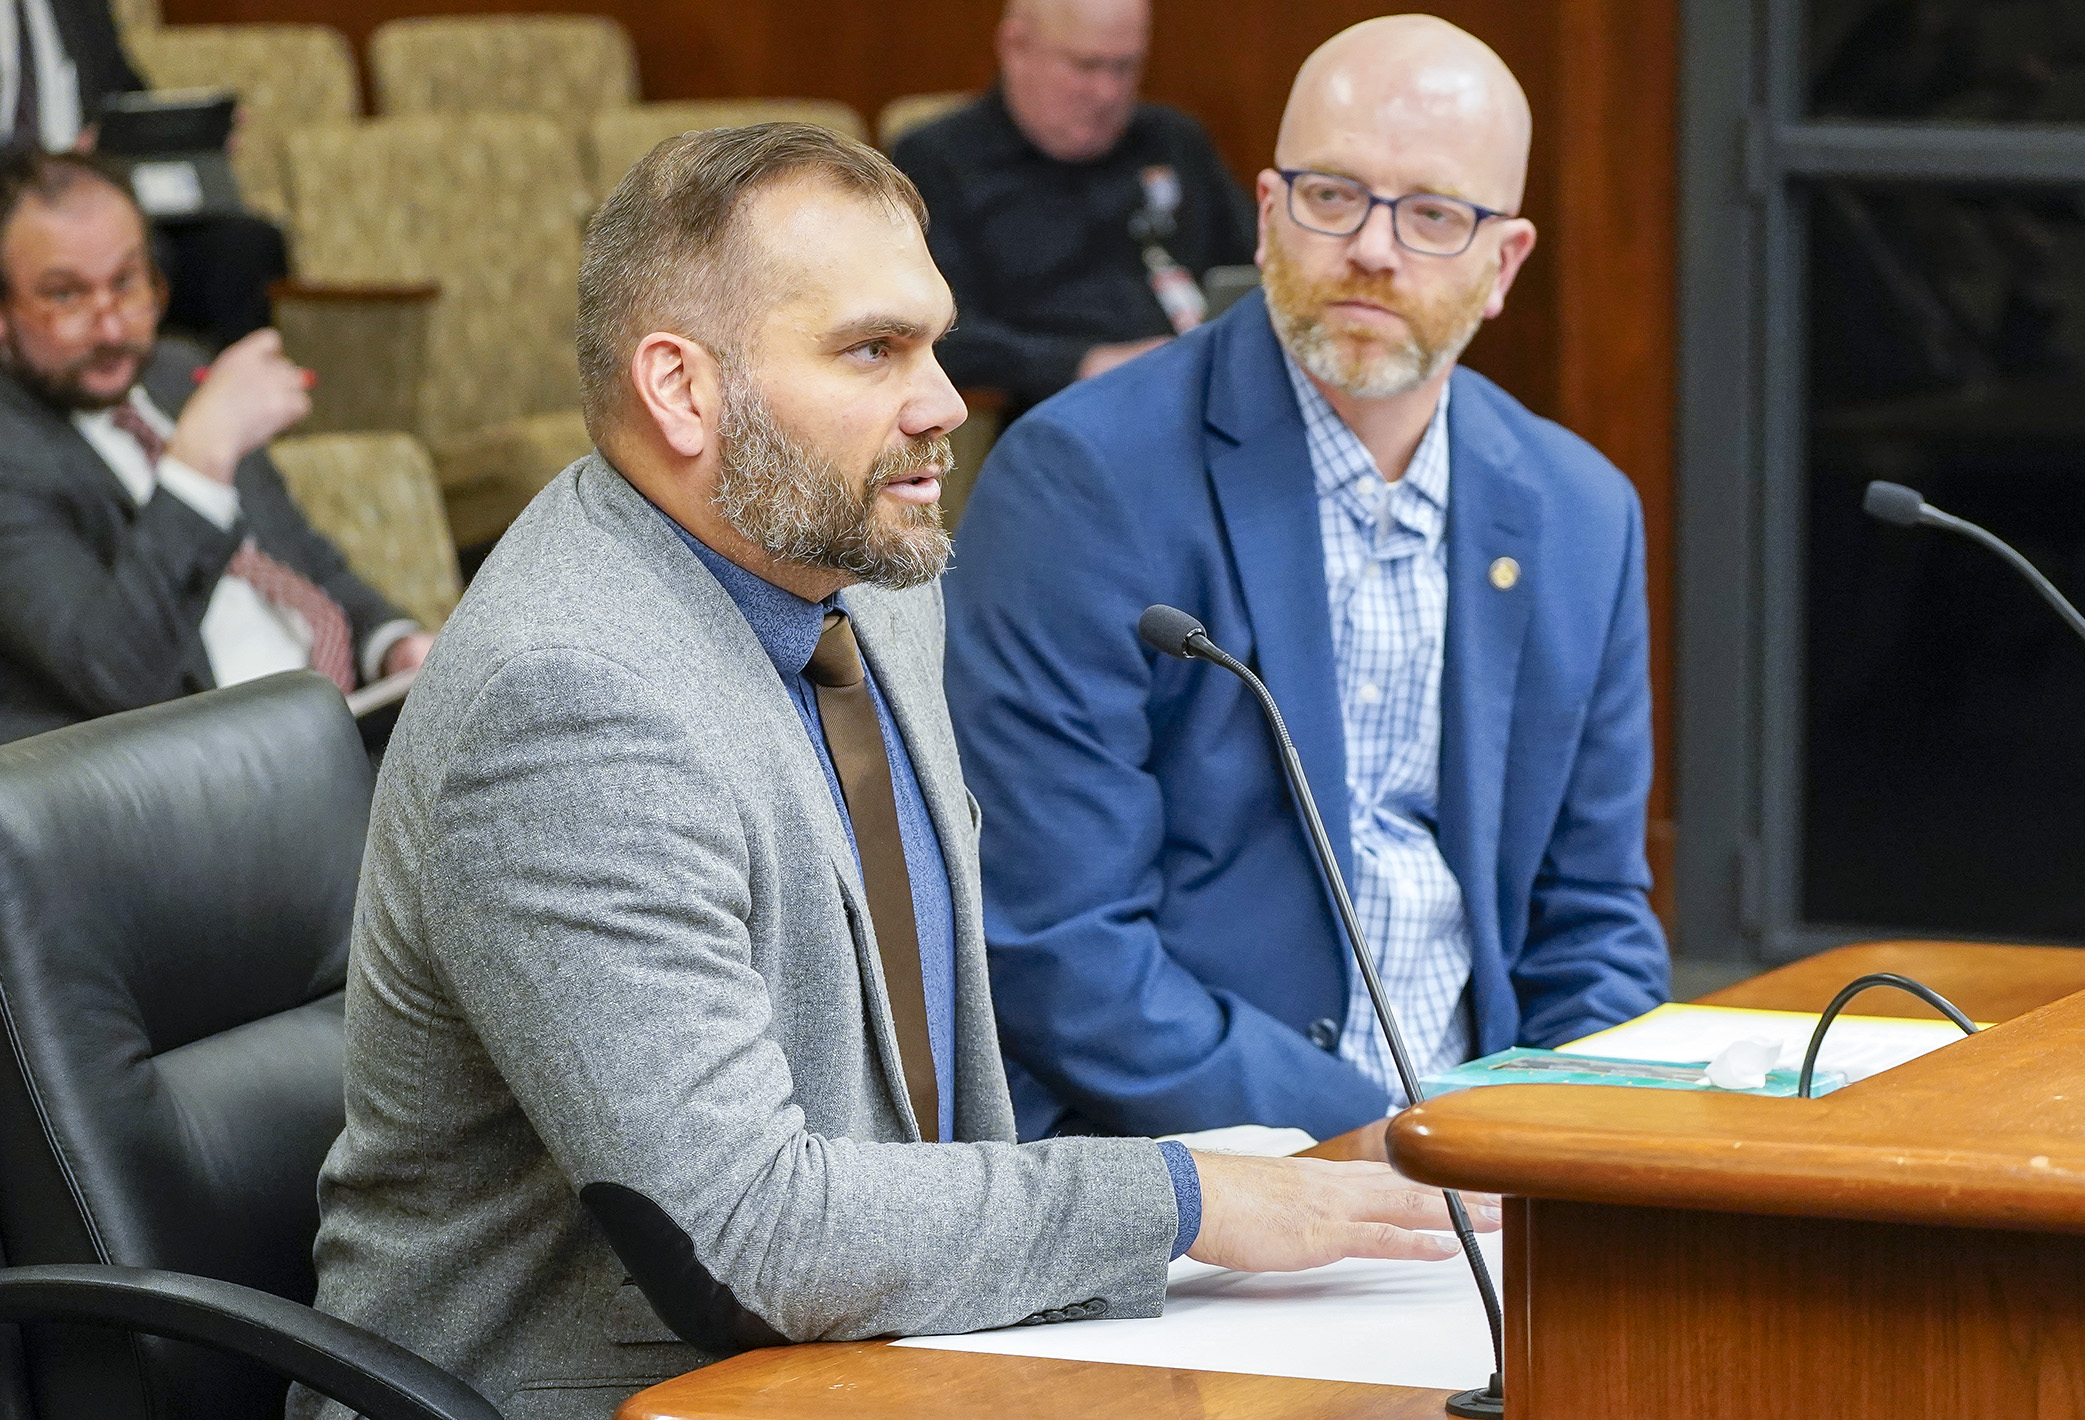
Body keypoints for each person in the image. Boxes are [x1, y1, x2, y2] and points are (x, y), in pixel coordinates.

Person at [292, 123, 1494, 1420]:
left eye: (931, 341)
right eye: (873, 351)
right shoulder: (571, 702)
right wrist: (1191, 1197)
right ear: (681, 390)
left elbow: (932, 1113)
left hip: (880, 1357)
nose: (941, 400)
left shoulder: (867, 581)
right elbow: (753, 1238)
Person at [944, 16, 1672, 1148]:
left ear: (1503, 267)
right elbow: (1059, 945)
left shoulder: (1582, 514)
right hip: (1203, 1176)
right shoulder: (1084, 481)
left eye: (1434, 215)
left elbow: (1593, 923)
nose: (1375, 249)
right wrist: (1383, 1147)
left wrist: (1565, 1153)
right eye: (1335, 196)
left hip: (1497, 1165)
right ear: (1272, 213)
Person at [0, 150, 432, 744]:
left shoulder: (178, 374)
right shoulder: (12, 448)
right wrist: (199, 463)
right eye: (66, 296)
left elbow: (299, 558)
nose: (111, 328)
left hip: (345, 726)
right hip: (205, 779)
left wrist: (394, 645)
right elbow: (115, 675)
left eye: (126, 283)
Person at [889, 0, 1254, 412]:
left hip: (1209, 395)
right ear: (1015, 46)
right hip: (1052, 413)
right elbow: (931, 332)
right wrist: (1086, 365)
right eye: (1086, 66)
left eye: (1125, 68)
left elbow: (1257, 275)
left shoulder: (1174, 141)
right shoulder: (939, 160)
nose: (1107, 92)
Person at [0, 0, 290, 347]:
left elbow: (124, 97)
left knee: (244, 246)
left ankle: (215, 404)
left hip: (93, 197)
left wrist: (185, 137)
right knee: (143, 257)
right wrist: (54, 163)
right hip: (13, 203)